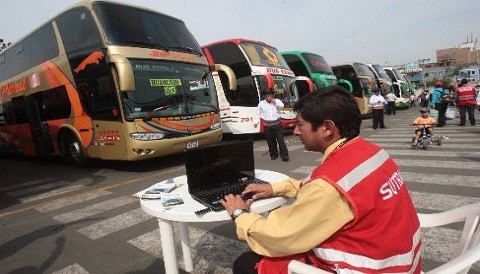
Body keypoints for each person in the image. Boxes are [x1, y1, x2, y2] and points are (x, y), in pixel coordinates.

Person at [221, 85, 422, 274]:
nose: (296, 131)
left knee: (245, 263)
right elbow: (326, 190)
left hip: (367, 267)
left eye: (300, 124)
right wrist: (274, 189)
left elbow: (277, 236)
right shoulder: (370, 151)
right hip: (402, 261)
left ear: (327, 128)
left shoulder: (329, 186)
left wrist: (240, 213)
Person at [253, 90, 289, 161]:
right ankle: (273, 154)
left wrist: (273, 101)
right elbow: (257, 114)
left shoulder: (276, 101)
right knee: (271, 141)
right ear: (265, 96)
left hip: (278, 124)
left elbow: (282, 106)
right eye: (267, 95)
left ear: (272, 95)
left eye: (270, 95)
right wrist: (255, 122)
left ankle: (285, 156)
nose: (269, 96)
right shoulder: (261, 104)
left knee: (281, 141)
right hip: (268, 126)